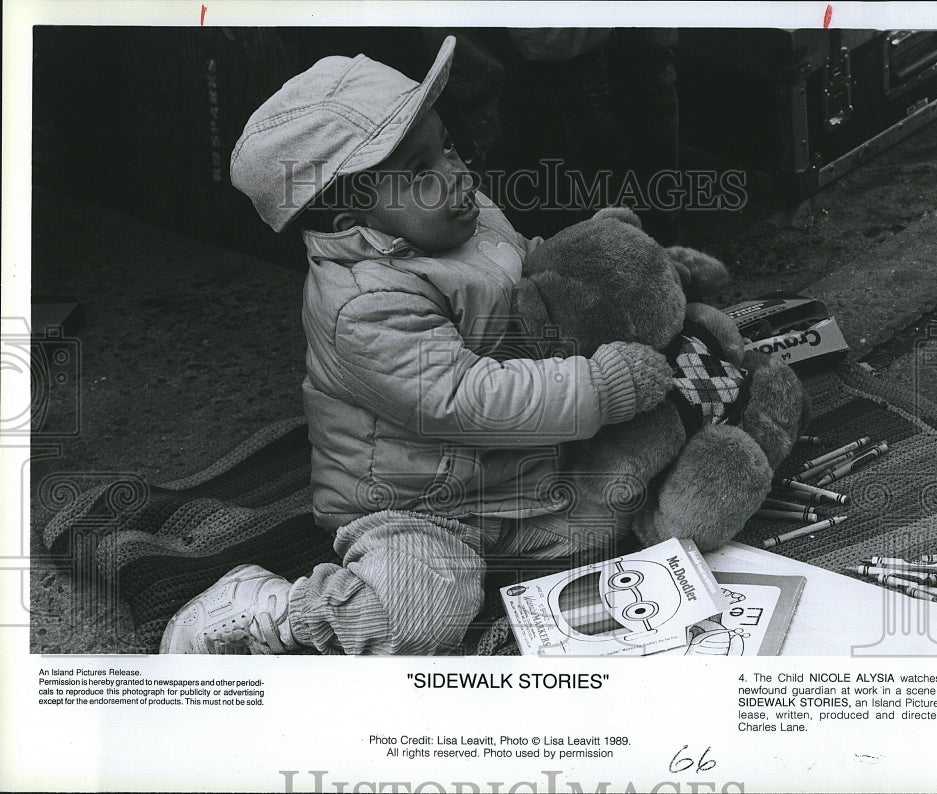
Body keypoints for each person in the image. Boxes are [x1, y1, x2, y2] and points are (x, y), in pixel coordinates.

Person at [159, 36, 672, 656]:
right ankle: (285, 614)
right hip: (421, 506)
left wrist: (584, 265)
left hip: (518, 476)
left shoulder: (464, 215)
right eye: (421, 172)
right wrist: (601, 385)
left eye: (447, 147)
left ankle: (519, 548)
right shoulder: (362, 304)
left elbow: (524, 278)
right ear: (350, 221)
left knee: (616, 517)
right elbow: (465, 400)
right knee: (418, 615)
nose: (456, 173)